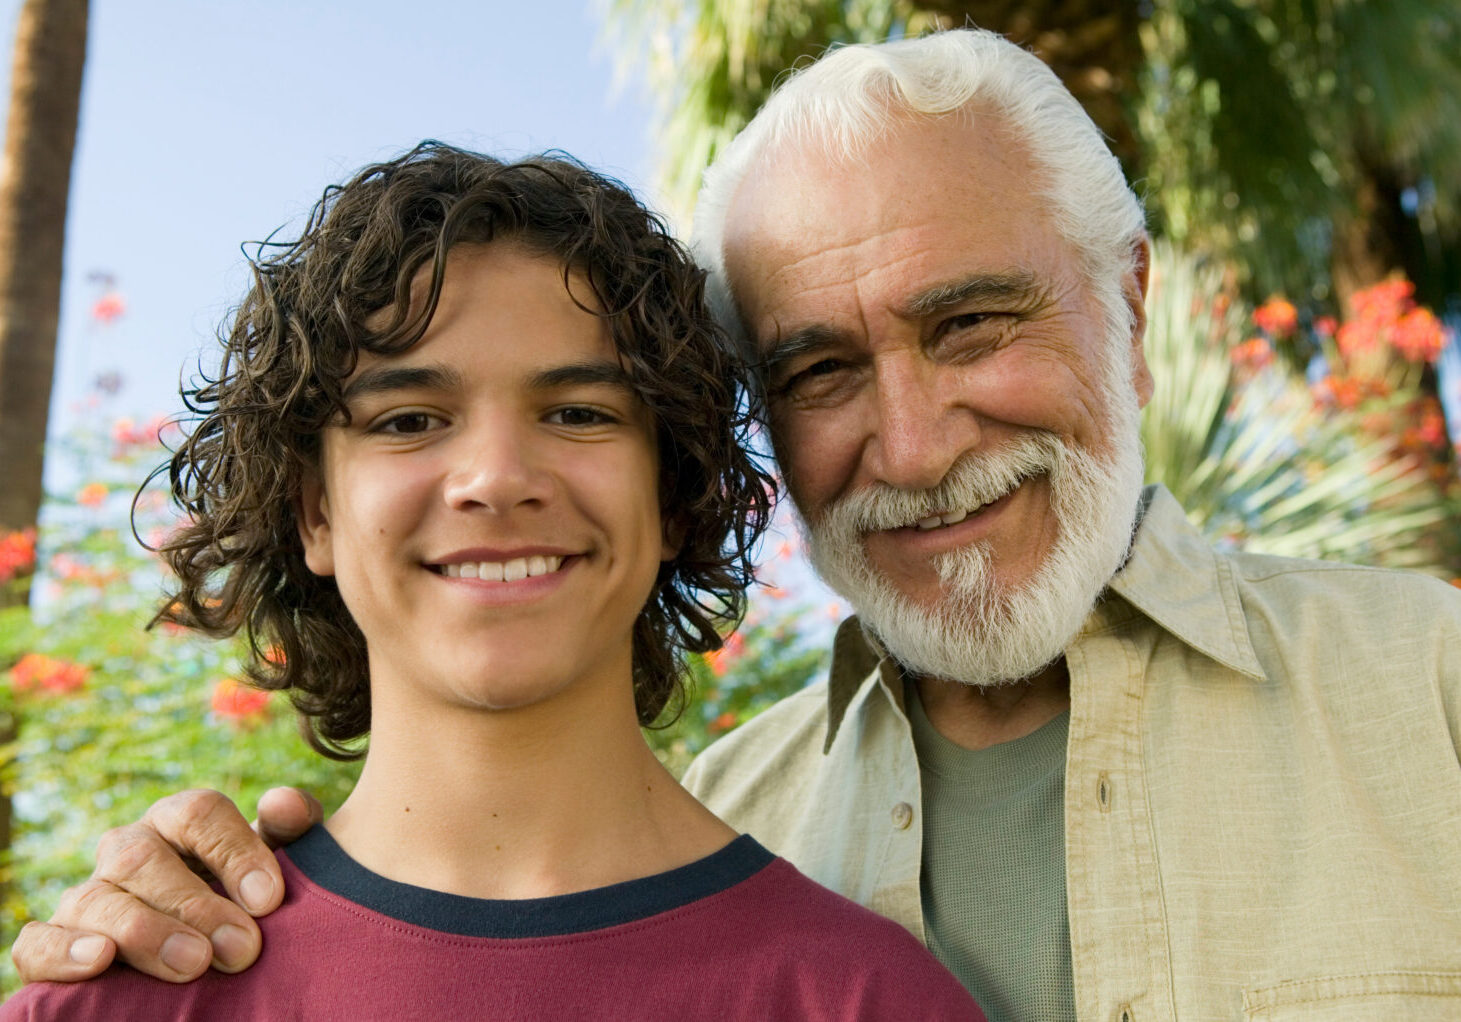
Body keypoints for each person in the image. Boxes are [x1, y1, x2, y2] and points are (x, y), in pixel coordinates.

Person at [15, 29, 1461, 1022]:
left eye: (969, 323)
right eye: (821, 369)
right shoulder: (734, 808)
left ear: (1129, 301)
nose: (911, 440)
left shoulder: (1434, 696)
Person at [1, 142, 984, 1020]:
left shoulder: (867, 998)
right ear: (316, 512)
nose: (497, 477)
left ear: (673, 493)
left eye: (580, 413)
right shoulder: (116, 997)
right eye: (409, 420)